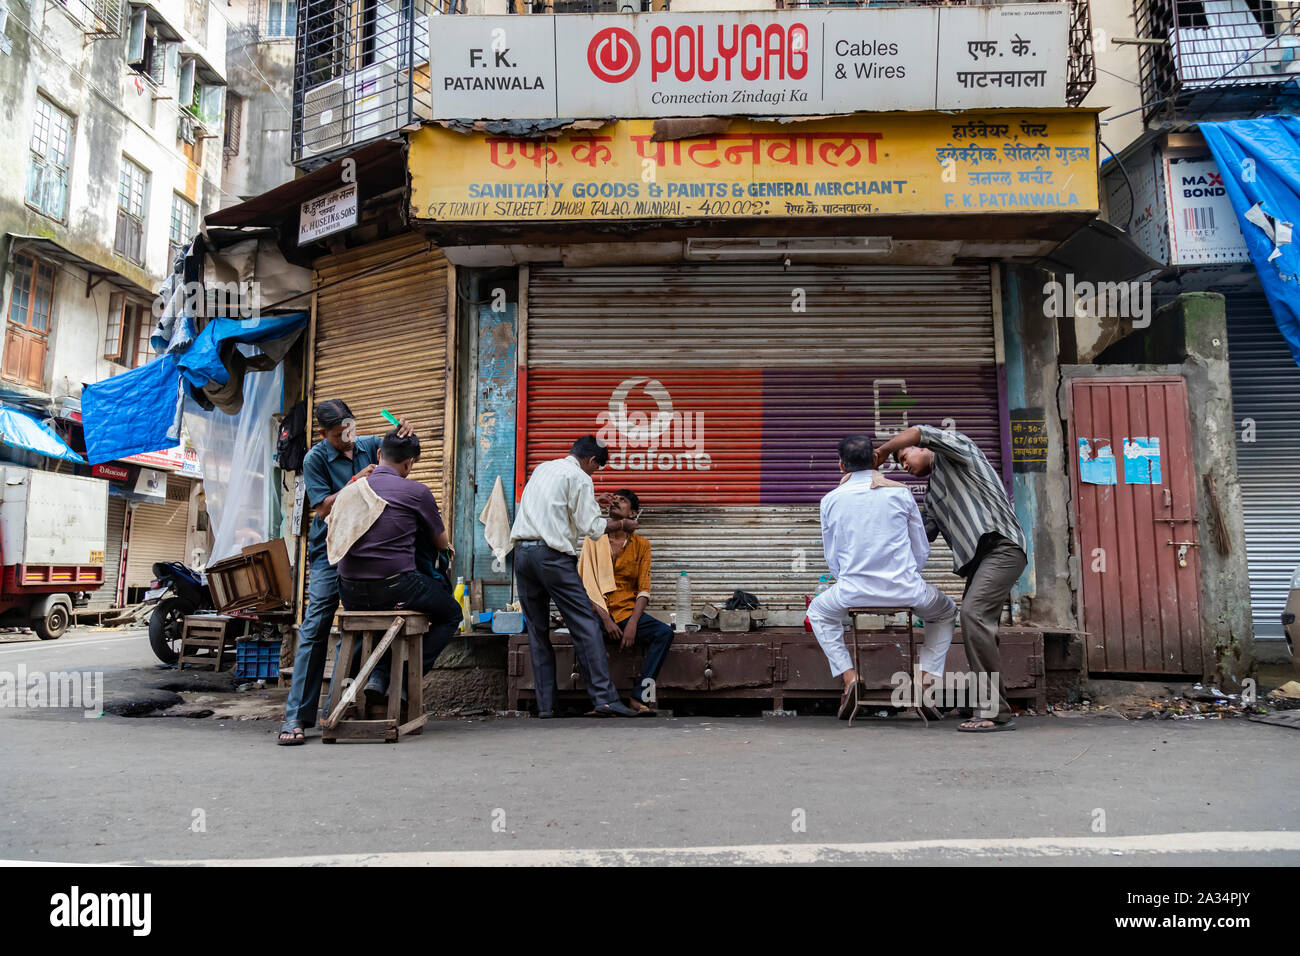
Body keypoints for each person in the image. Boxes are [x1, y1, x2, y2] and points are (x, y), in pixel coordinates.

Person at [874, 424, 1028, 732]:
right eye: (901, 463)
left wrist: (884, 451)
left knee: (973, 614)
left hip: (1003, 547)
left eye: (905, 457)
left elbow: (919, 431)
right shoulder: (932, 496)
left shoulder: (960, 451)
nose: (904, 465)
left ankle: (994, 712)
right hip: (981, 562)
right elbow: (921, 535)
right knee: (979, 625)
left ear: (925, 449)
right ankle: (988, 702)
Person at [278, 399, 411, 746]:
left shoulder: (369, 445)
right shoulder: (315, 459)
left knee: (362, 622)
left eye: (351, 427)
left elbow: (400, 454)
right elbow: (323, 510)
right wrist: (355, 481)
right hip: (330, 551)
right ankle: (295, 716)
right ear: (324, 434)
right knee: (316, 626)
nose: (350, 438)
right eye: (340, 434)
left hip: (367, 551)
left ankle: (337, 705)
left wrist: (405, 435)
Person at [808, 435, 957, 720]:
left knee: (818, 612)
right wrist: (906, 577)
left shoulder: (831, 500)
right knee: (946, 613)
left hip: (852, 591)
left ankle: (850, 679)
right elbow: (920, 548)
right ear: (877, 460)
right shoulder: (900, 494)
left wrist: (850, 582)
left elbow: (832, 557)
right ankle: (923, 682)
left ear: (841, 466)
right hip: (906, 590)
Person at [511, 435, 641, 718]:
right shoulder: (581, 478)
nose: (594, 474)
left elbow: (554, 509)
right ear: (592, 460)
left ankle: (546, 706)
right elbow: (592, 527)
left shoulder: (543, 469)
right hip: (552, 558)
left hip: (522, 555)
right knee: (586, 624)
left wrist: (591, 502)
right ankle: (605, 699)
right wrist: (622, 523)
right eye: (597, 468)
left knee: (536, 630)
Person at [334, 430, 463, 713]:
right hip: (395, 589)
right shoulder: (416, 492)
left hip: (350, 592)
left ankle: (377, 679)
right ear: (409, 464)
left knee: (389, 617)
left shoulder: (351, 490)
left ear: (379, 455)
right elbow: (441, 543)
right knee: (452, 613)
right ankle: (402, 681)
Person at [582, 489, 674, 714]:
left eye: (621, 500)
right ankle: (601, 701)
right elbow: (587, 585)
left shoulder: (642, 545)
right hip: (599, 612)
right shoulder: (593, 540)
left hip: (626, 613)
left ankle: (638, 697)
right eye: (613, 500)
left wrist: (632, 624)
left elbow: (643, 588)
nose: (614, 502)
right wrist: (606, 620)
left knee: (664, 633)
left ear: (633, 512)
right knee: (582, 635)